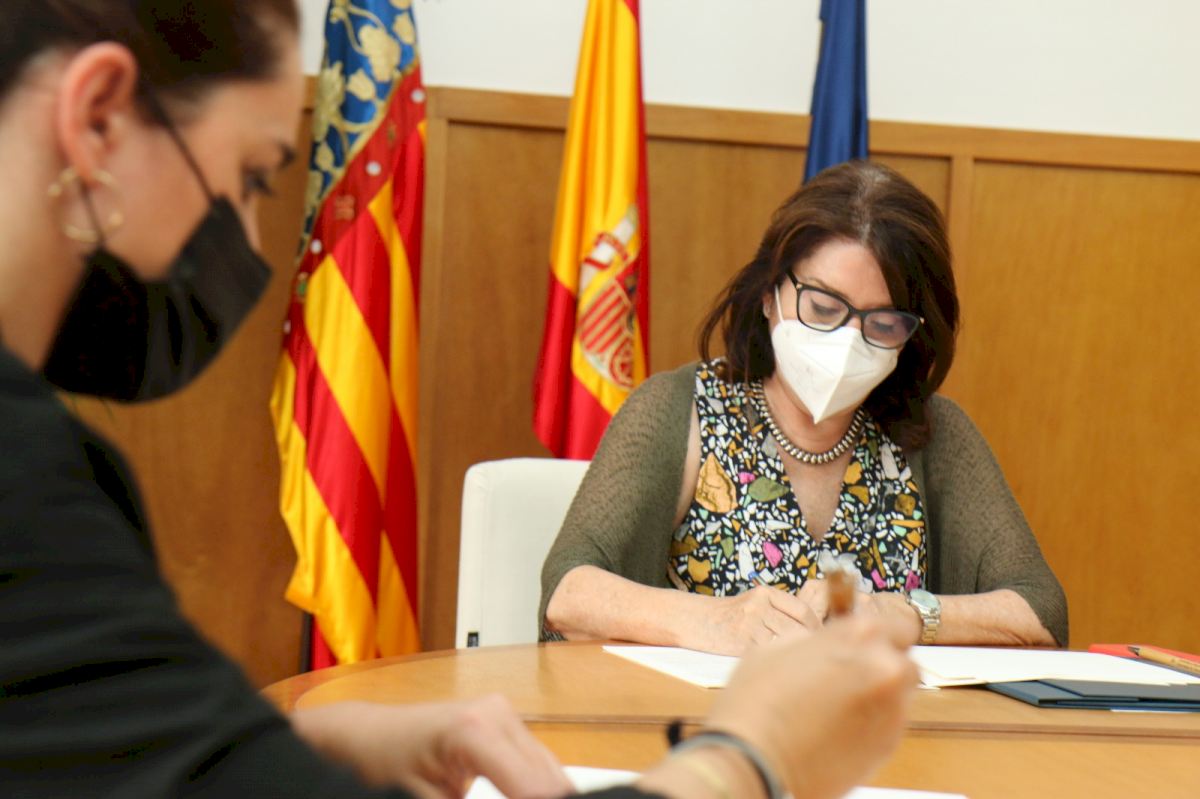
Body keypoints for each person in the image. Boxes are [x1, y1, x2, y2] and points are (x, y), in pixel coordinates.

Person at [0, 3, 918, 798]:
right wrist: (753, 755)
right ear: (98, 117)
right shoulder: (23, 476)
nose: (248, 234)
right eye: (249, 176)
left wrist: (293, 749)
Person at [541, 161, 1069, 656]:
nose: (847, 340)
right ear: (769, 292)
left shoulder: (934, 432)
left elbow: (1040, 613)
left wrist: (907, 614)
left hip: (883, 723)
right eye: (823, 307)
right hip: (710, 720)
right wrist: (712, 620)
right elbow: (568, 592)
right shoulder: (680, 409)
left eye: (883, 324)